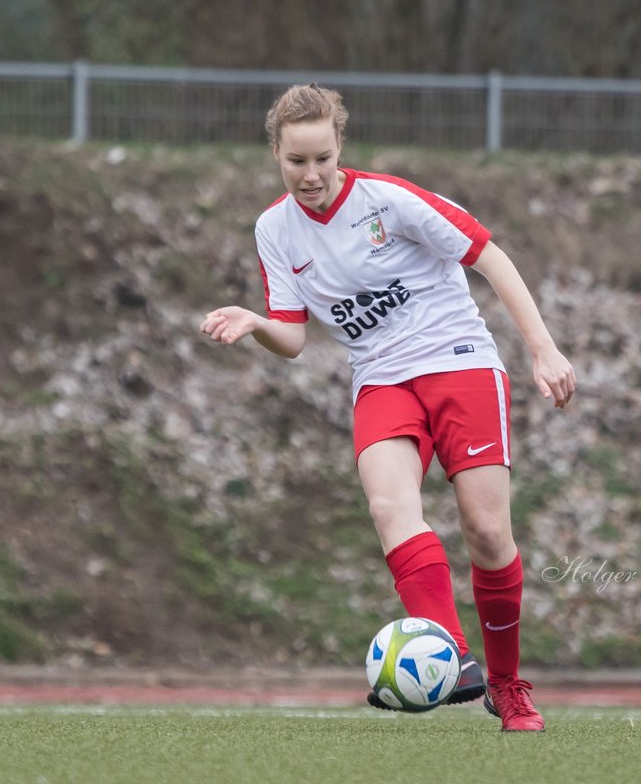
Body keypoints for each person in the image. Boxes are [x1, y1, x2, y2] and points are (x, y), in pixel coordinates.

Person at [199, 84, 575, 733]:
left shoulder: (389, 201)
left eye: (321, 157)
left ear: (339, 145)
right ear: (277, 156)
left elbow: (490, 256)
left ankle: (508, 685)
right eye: (296, 162)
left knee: (487, 533)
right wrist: (256, 321)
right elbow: (292, 339)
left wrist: (543, 351)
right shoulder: (274, 230)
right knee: (388, 506)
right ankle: (453, 655)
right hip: (380, 379)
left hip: (458, 359)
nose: (311, 174)